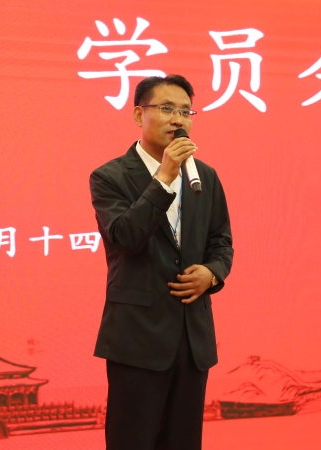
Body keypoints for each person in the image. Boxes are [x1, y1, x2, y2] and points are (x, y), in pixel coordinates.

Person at [90, 74, 233, 450]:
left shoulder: (205, 177)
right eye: (167, 108)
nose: (178, 119)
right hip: (137, 337)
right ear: (139, 115)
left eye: (186, 111)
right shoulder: (109, 177)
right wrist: (166, 175)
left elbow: (221, 242)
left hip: (192, 337)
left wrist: (212, 273)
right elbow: (126, 237)